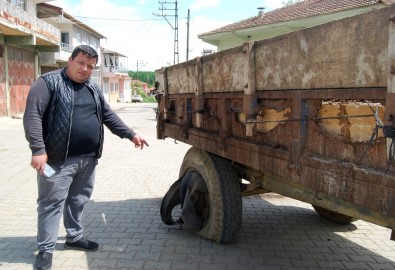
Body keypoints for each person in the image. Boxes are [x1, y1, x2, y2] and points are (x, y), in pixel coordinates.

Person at [23, 45, 149, 270]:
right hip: (56, 161)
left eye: (90, 66)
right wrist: (38, 150)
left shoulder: (92, 86)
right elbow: (32, 115)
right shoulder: (47, 83)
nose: (85, 69)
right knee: (51, 204)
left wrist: (130, 134)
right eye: (81, 63)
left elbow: (107, 114)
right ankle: (45, 250)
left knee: (78, 200)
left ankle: (74, 238)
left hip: (88, 159)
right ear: (70, 60)